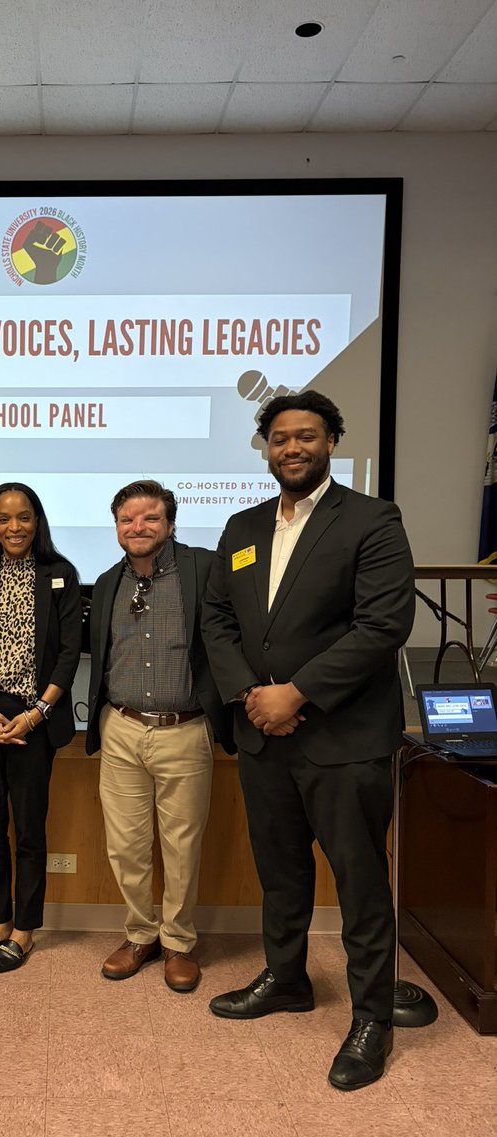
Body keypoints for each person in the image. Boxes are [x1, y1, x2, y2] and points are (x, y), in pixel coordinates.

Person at [201, 391, 415, 1090]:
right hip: (264, 736)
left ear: (331, 443)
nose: (293, 448)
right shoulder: (242, 526)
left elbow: (382, 626)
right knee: (282, 872)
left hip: (343, 737)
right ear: (264, 445)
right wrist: (251, 697)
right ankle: (287, 977)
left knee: (357, 881)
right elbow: (217, 622)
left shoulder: (373, 521)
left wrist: (297, 694)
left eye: (308, 437)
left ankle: (372, 1019)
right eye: (281, 438)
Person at [86, 480, 234, 992]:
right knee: (125, 846)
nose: (138, 528)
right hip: (122, 728)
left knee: (181, 847)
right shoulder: (108, 582)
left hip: (183, 730)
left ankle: (178, 943)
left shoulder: (204, 569)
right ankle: (140, 935)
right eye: (127, 520)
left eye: (149, 518)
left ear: (170, 523)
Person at [0, 483, 81, 973]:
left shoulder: (61, 574)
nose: (14, 527)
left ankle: (24, 930)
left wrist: (37, 712)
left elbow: (69, 655)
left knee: (28, 829)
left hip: (34, 716)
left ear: (37, 521)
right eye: (3, 518)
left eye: (23, 517)